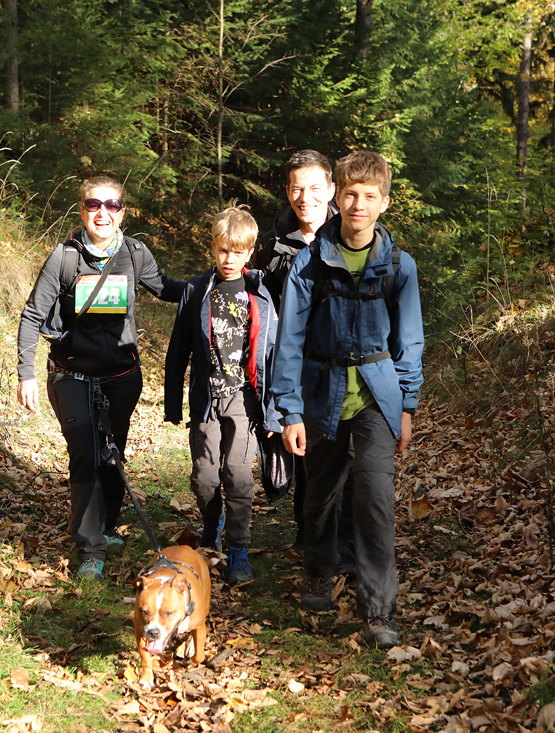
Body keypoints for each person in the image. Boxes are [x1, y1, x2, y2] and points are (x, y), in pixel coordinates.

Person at [270, 151, 424, 648]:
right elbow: (289, 341)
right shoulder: (308, 263)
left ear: (384, 202)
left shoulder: (399, 266)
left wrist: (406, 406)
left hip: (377, 398)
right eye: (351, 195)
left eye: (369, 196)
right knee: (320, 495)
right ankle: (319, 571)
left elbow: (410, 341)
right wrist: (290, 410)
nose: (359, 205)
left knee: (375, 500)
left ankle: (378, 609)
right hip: (321, 396)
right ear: (338, 198)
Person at [16, 176, 185, 580]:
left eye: (112, 205)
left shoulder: (135, 253)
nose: (103, 213)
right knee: (86, 455)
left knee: (112, 454)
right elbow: (32, 315)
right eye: (94, 204)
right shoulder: (64, 258)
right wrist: (26, 374)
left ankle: (106, 525)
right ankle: (91, 548)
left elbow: (166, 289)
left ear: (122, 212)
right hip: (71, 375)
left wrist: (215, 282)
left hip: (122, 377)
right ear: (82, 210)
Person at [164, 203, 280, 585]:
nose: (229, 258)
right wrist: (172, 403)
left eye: (238, 251)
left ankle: (238, 548)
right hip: (206, 399)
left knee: (239, 476)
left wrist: (275, 410)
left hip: (245, 400)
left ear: (249, 253)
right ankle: (212, 524)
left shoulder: (259, 294)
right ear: (213, 248)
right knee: (204, 479)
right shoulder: (198, 290)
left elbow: (272, 354)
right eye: (223, 250)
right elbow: (178, 349)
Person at [253, 150, 356, 577]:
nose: (305, 197)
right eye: (297, 188)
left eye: (315, 188)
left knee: (345, 454)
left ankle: (343, 544)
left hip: (345, 365)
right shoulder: (271, 247)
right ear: (287, 191)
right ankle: (308, 532)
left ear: (331, 189)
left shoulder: (353, 236)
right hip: (294, 366)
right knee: (304, 449)